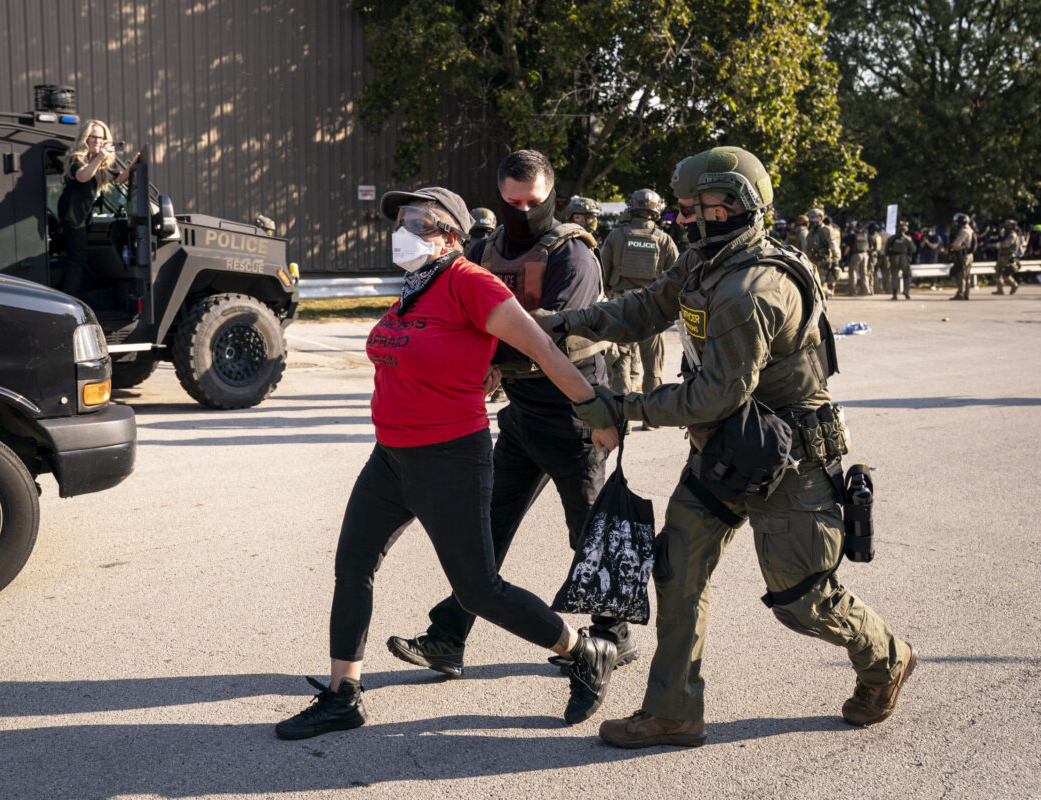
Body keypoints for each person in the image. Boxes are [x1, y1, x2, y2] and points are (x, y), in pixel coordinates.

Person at [540, 146, 915, 748]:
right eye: (683, 208)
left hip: (786, 458)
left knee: (802, 600)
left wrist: (623, 408)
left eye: (695, 207)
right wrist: (564, 322)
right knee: (677, 569)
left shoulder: (749, 289)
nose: (683, 218)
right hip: (725, 451)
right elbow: (646, 307)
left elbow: (710, 397)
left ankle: (885, 658)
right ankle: (673, 712)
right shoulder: (706, 260)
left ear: (735, 206)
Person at [275, 186, 621, 740]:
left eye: (418, 220)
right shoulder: (415, 288)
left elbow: (544, 349)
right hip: (390, 456)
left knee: (479, 590)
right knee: (352, 566)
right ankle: (344, 695)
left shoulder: (470, 282)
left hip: (450, 458)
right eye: (402, 219)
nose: (403, 230)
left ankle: (584, 652)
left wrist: (596, 411)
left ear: (451, 235)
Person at [385, 150, 640, 680]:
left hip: (575, 411)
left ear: (554, 195)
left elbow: (551, 331)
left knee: (588, 528)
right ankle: (448, 636)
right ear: (499, 196)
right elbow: (461, 318)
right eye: (511, 201)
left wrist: (485, 354)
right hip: (522, 415)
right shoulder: (485, 248)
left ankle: (614, 636)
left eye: (533, 201)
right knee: (488, 526)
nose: (522, 210)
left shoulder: (575, 256)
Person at [599, 188, 679, 411]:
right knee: (653, 364)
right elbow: (678, 277)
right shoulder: (664, 239)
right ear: (656, 211)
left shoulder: (615, 236)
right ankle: (652, 417)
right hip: (651, 308)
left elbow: (601, 274)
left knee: (621, 361)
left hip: (621, 307)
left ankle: (620, 414)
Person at [56, 120, 139, 295]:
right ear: (85, 138)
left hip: (83, 218)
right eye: (93, 137)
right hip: (72, 217)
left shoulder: (99, 164)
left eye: (101, 138)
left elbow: (119, 181)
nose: (97, 141)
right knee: (78, 259)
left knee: (80, 258)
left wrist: (134, 166)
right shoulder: (76, 159)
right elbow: (83, 176)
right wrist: (101, 156)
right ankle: (67, 298)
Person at [806, 208, 839, 298]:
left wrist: (836, 259)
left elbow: (833, 244)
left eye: (812, 218)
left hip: (823, 260)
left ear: (819, 218)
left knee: (821, 283)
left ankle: (823, 303)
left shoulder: (826, 230)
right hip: (812, 261)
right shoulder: (811, 232)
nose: (810, 220)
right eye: (809, 218)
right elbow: (807, 247)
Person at [885, 221, 917, 300]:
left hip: (894, 258)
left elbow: (886, 249)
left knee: (894, 276)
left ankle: (895, 294)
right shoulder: (908, 239)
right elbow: (914, 249)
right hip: (904, 258)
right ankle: (906, 291)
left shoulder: (892, 238)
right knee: (907, 275)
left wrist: (889, 256)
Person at [949, 213, 976, 300]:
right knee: (967, 275)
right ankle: (966, 294)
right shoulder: (971, 230)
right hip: (969, 255)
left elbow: (956, 244)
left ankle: (960, 293)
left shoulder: (964, 231)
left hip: (963, 256)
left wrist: (953, 245)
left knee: (960, 275)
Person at [842, 220, 872, 296]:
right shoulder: (866, 235)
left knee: (853, 272)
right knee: (864, 273)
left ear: (856, 227)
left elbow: (848, 247)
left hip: (856, 255)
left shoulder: (853, 236)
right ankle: (866, 290)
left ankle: (853, 291)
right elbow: (871, 247)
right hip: (865, 255)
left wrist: (844, 255)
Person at [993, 220, 1021, 295]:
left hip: (1007, 257)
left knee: (1005, 274)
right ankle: (1000, 290)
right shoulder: (1006, 233)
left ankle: (1014, 285)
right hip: (1002, 255)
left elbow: (1006, 244)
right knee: (997, 273)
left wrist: (998, 244)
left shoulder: (1012, 235)